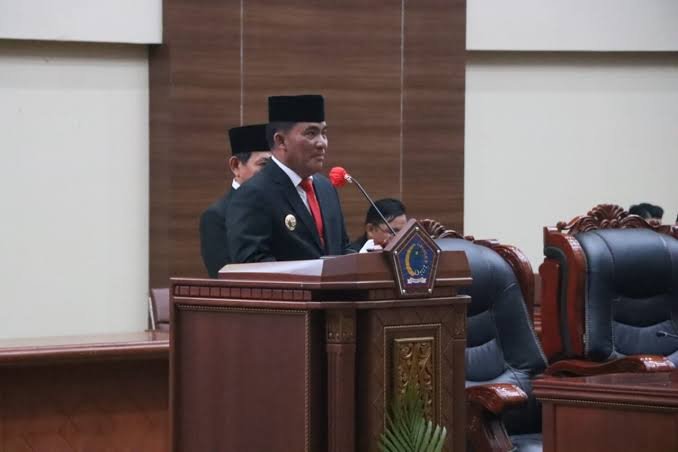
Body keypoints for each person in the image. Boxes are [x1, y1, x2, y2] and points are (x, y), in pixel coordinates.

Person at [226, 94, 353, 262]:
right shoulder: (253, 194)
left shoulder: (326, 188)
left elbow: (341, 248)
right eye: (311, 133)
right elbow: (252, 263)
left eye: (324, 133)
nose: (322, 143)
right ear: (281, 141)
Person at [199, 124, 271, 277]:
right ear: (236, 166)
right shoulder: (216, 216)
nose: (272, 173)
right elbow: (222, 276)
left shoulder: (280, 206)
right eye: (264, 164)